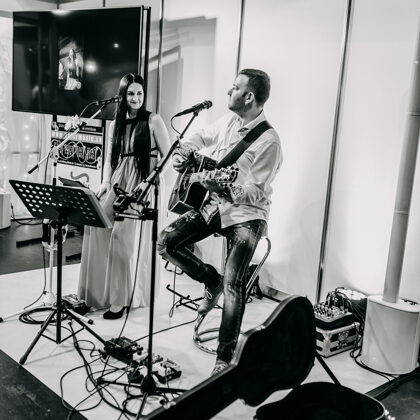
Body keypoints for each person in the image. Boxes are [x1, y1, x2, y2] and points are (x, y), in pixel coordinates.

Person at [157, 69, 283, 375]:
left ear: (249, 96)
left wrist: (227, 188)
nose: (229, 91)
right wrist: (186, 150)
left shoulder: (269, 141)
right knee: (166, 242)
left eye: (235, 87)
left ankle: (224, 360)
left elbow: (256, 191)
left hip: (247, 216)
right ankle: (210, 280)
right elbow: (201, 135)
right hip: (215, 206)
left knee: (234, 284)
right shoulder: (229, 121)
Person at [78, 73, 171, 319]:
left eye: (139, 93)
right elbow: (110, 158)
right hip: (120, 178)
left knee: (122, 238)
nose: (136, 98)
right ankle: (94, 295)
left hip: (144, 181)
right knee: (95, 223)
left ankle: (120, 299)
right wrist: (105, 183)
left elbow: (168, 155)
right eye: (131, 93)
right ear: (122, 95)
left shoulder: (153, 120)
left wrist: (152, 181)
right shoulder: (115, 124)